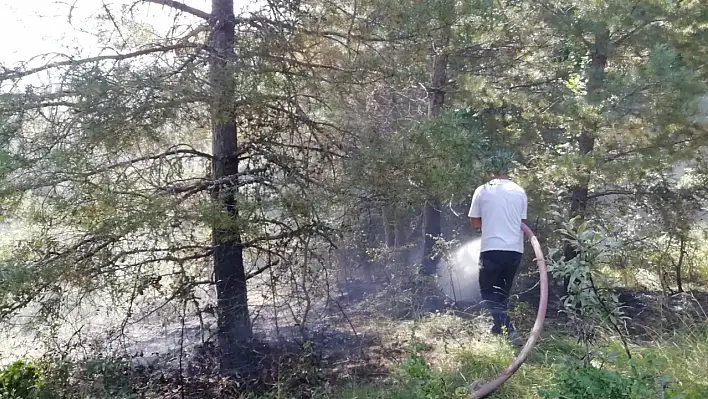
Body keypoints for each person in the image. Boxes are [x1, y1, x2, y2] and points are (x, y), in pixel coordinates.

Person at [468, 152, 527, 347]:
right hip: (515, 250)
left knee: (487, 291)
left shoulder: (483, 190)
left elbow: (475, 223)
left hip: (492, 249)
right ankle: (497, 327)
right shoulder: (519, 191)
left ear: (490, 171)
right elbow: (521, 222)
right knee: (502, 293)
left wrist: (488, 222)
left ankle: (508, 329)